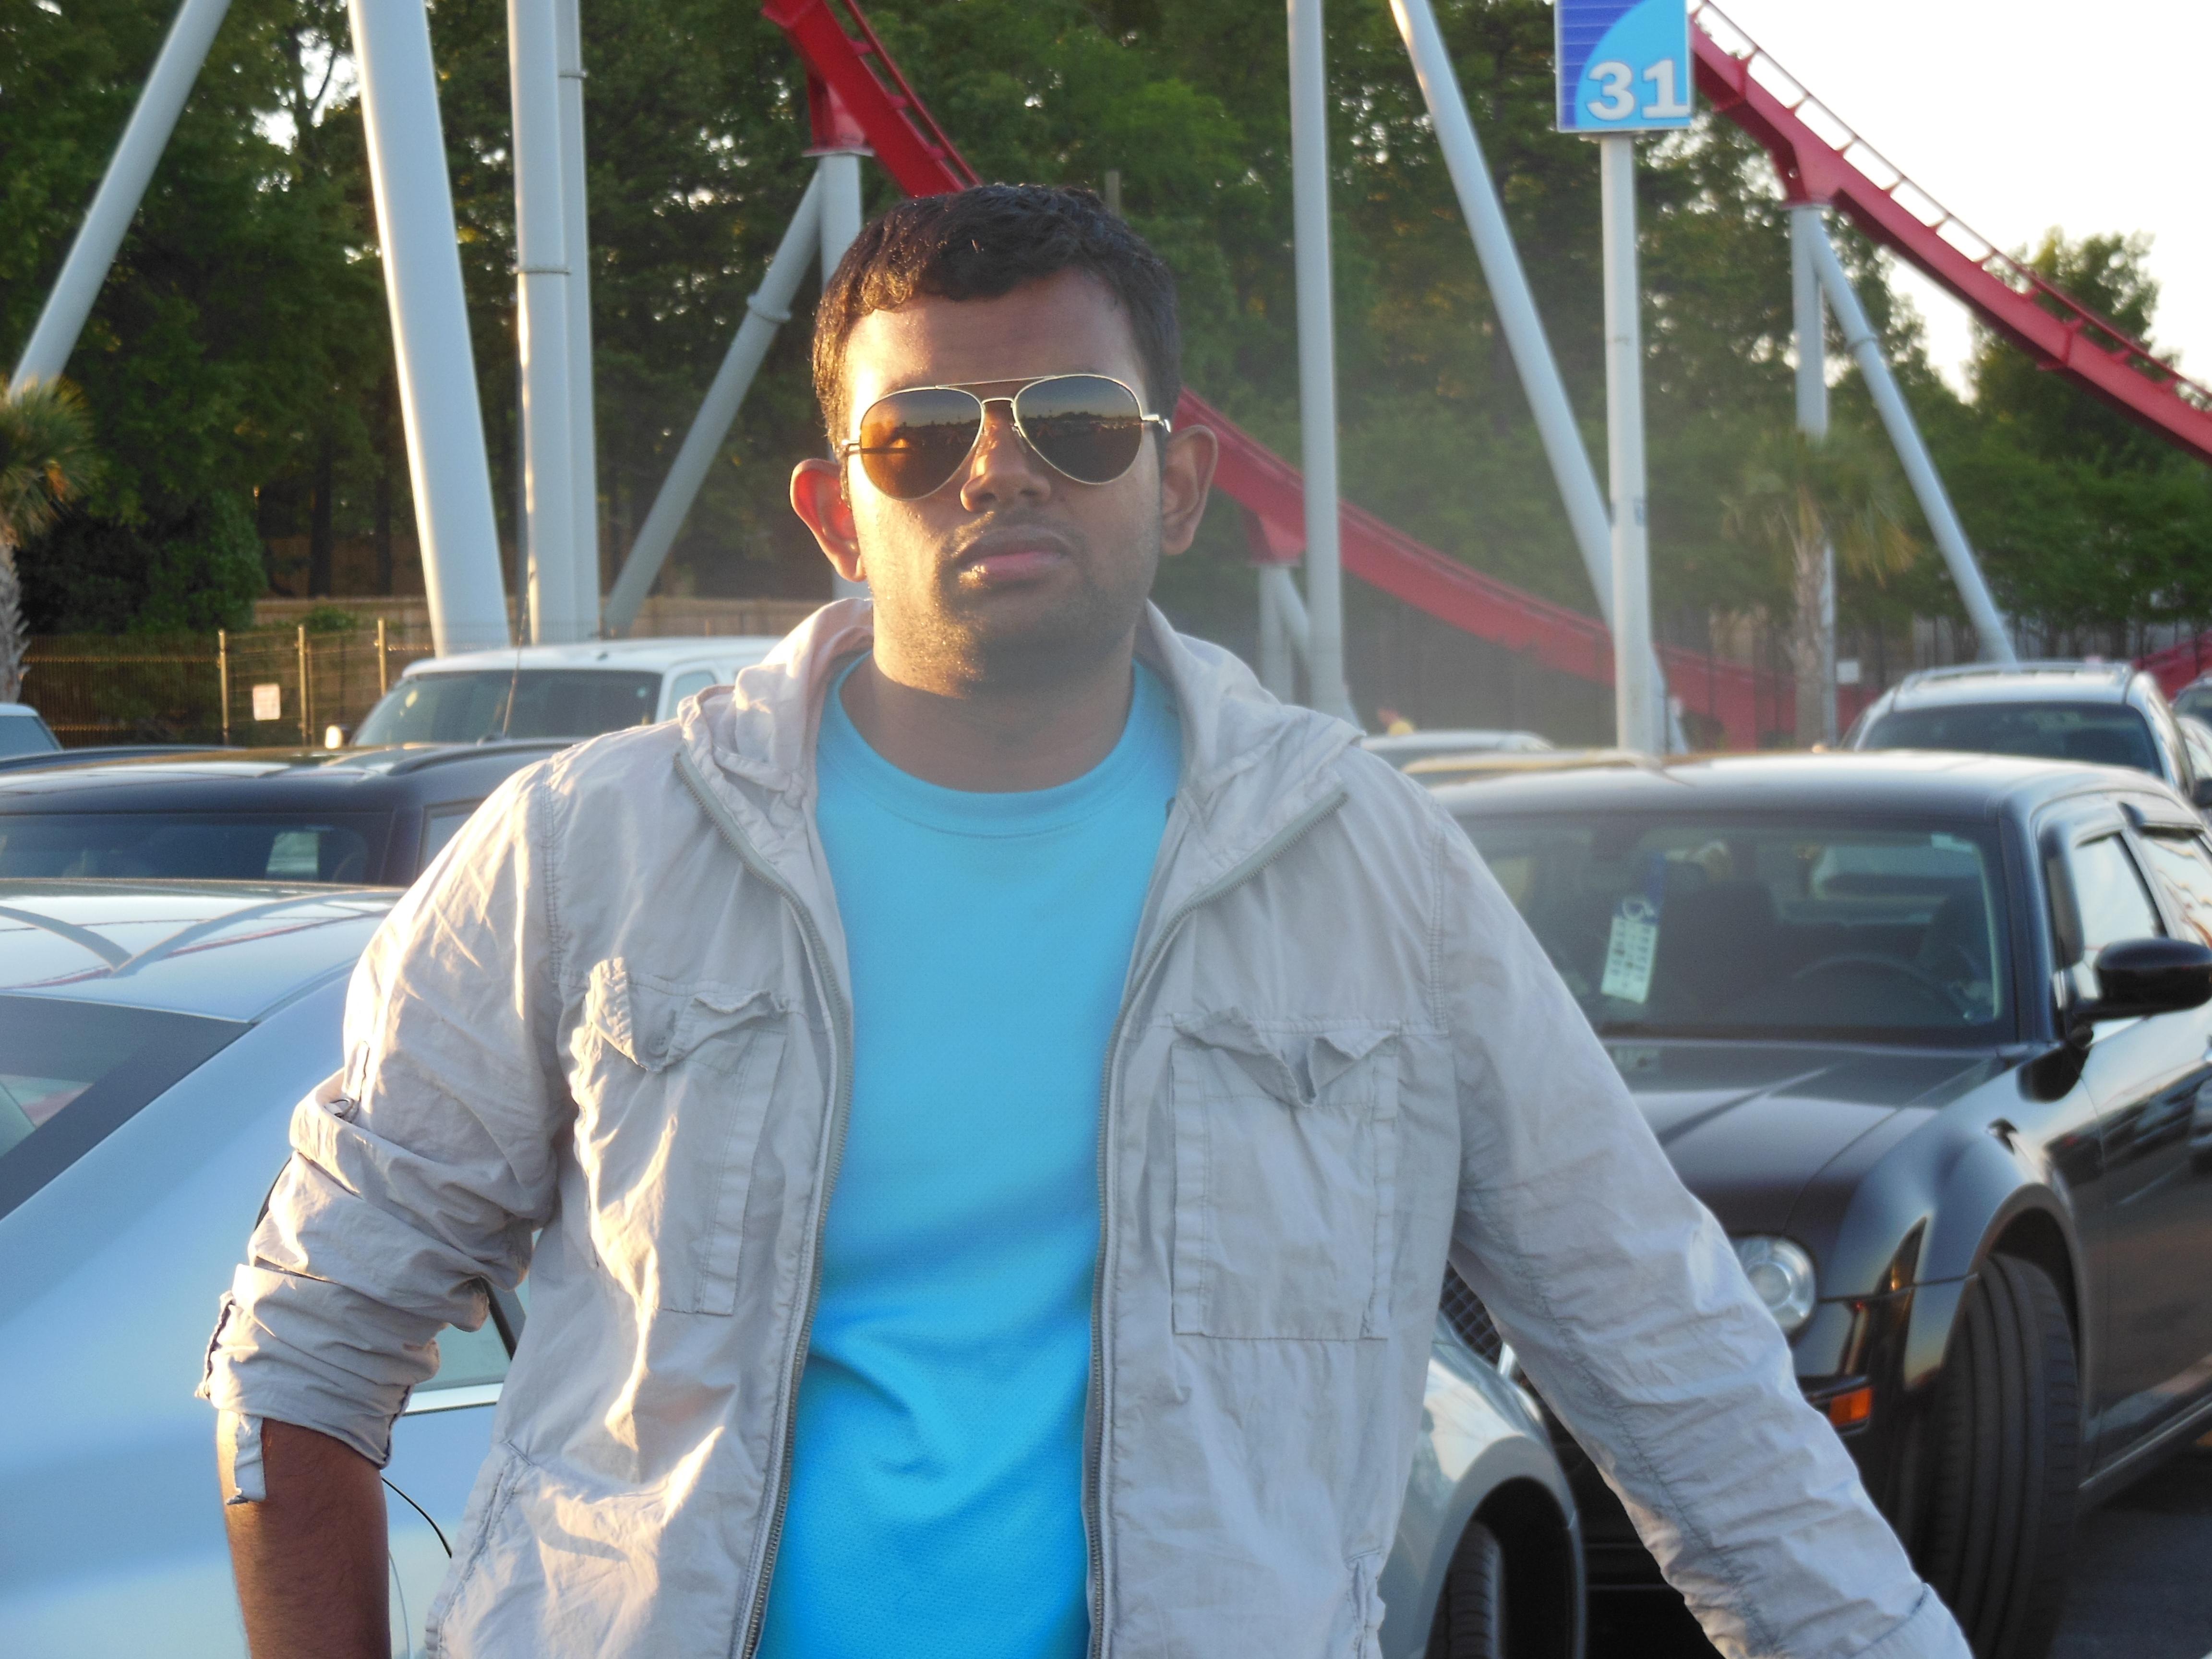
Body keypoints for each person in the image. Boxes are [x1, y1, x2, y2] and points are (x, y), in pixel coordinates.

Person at [203, 184, 1968, 1659]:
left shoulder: (1373, 871)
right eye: (919, 437)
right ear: (836, 511)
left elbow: (1673, 1359)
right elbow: (303, 1349)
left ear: (1177, 483)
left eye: (1076, 424)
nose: (997, 473)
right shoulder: (588, 849)